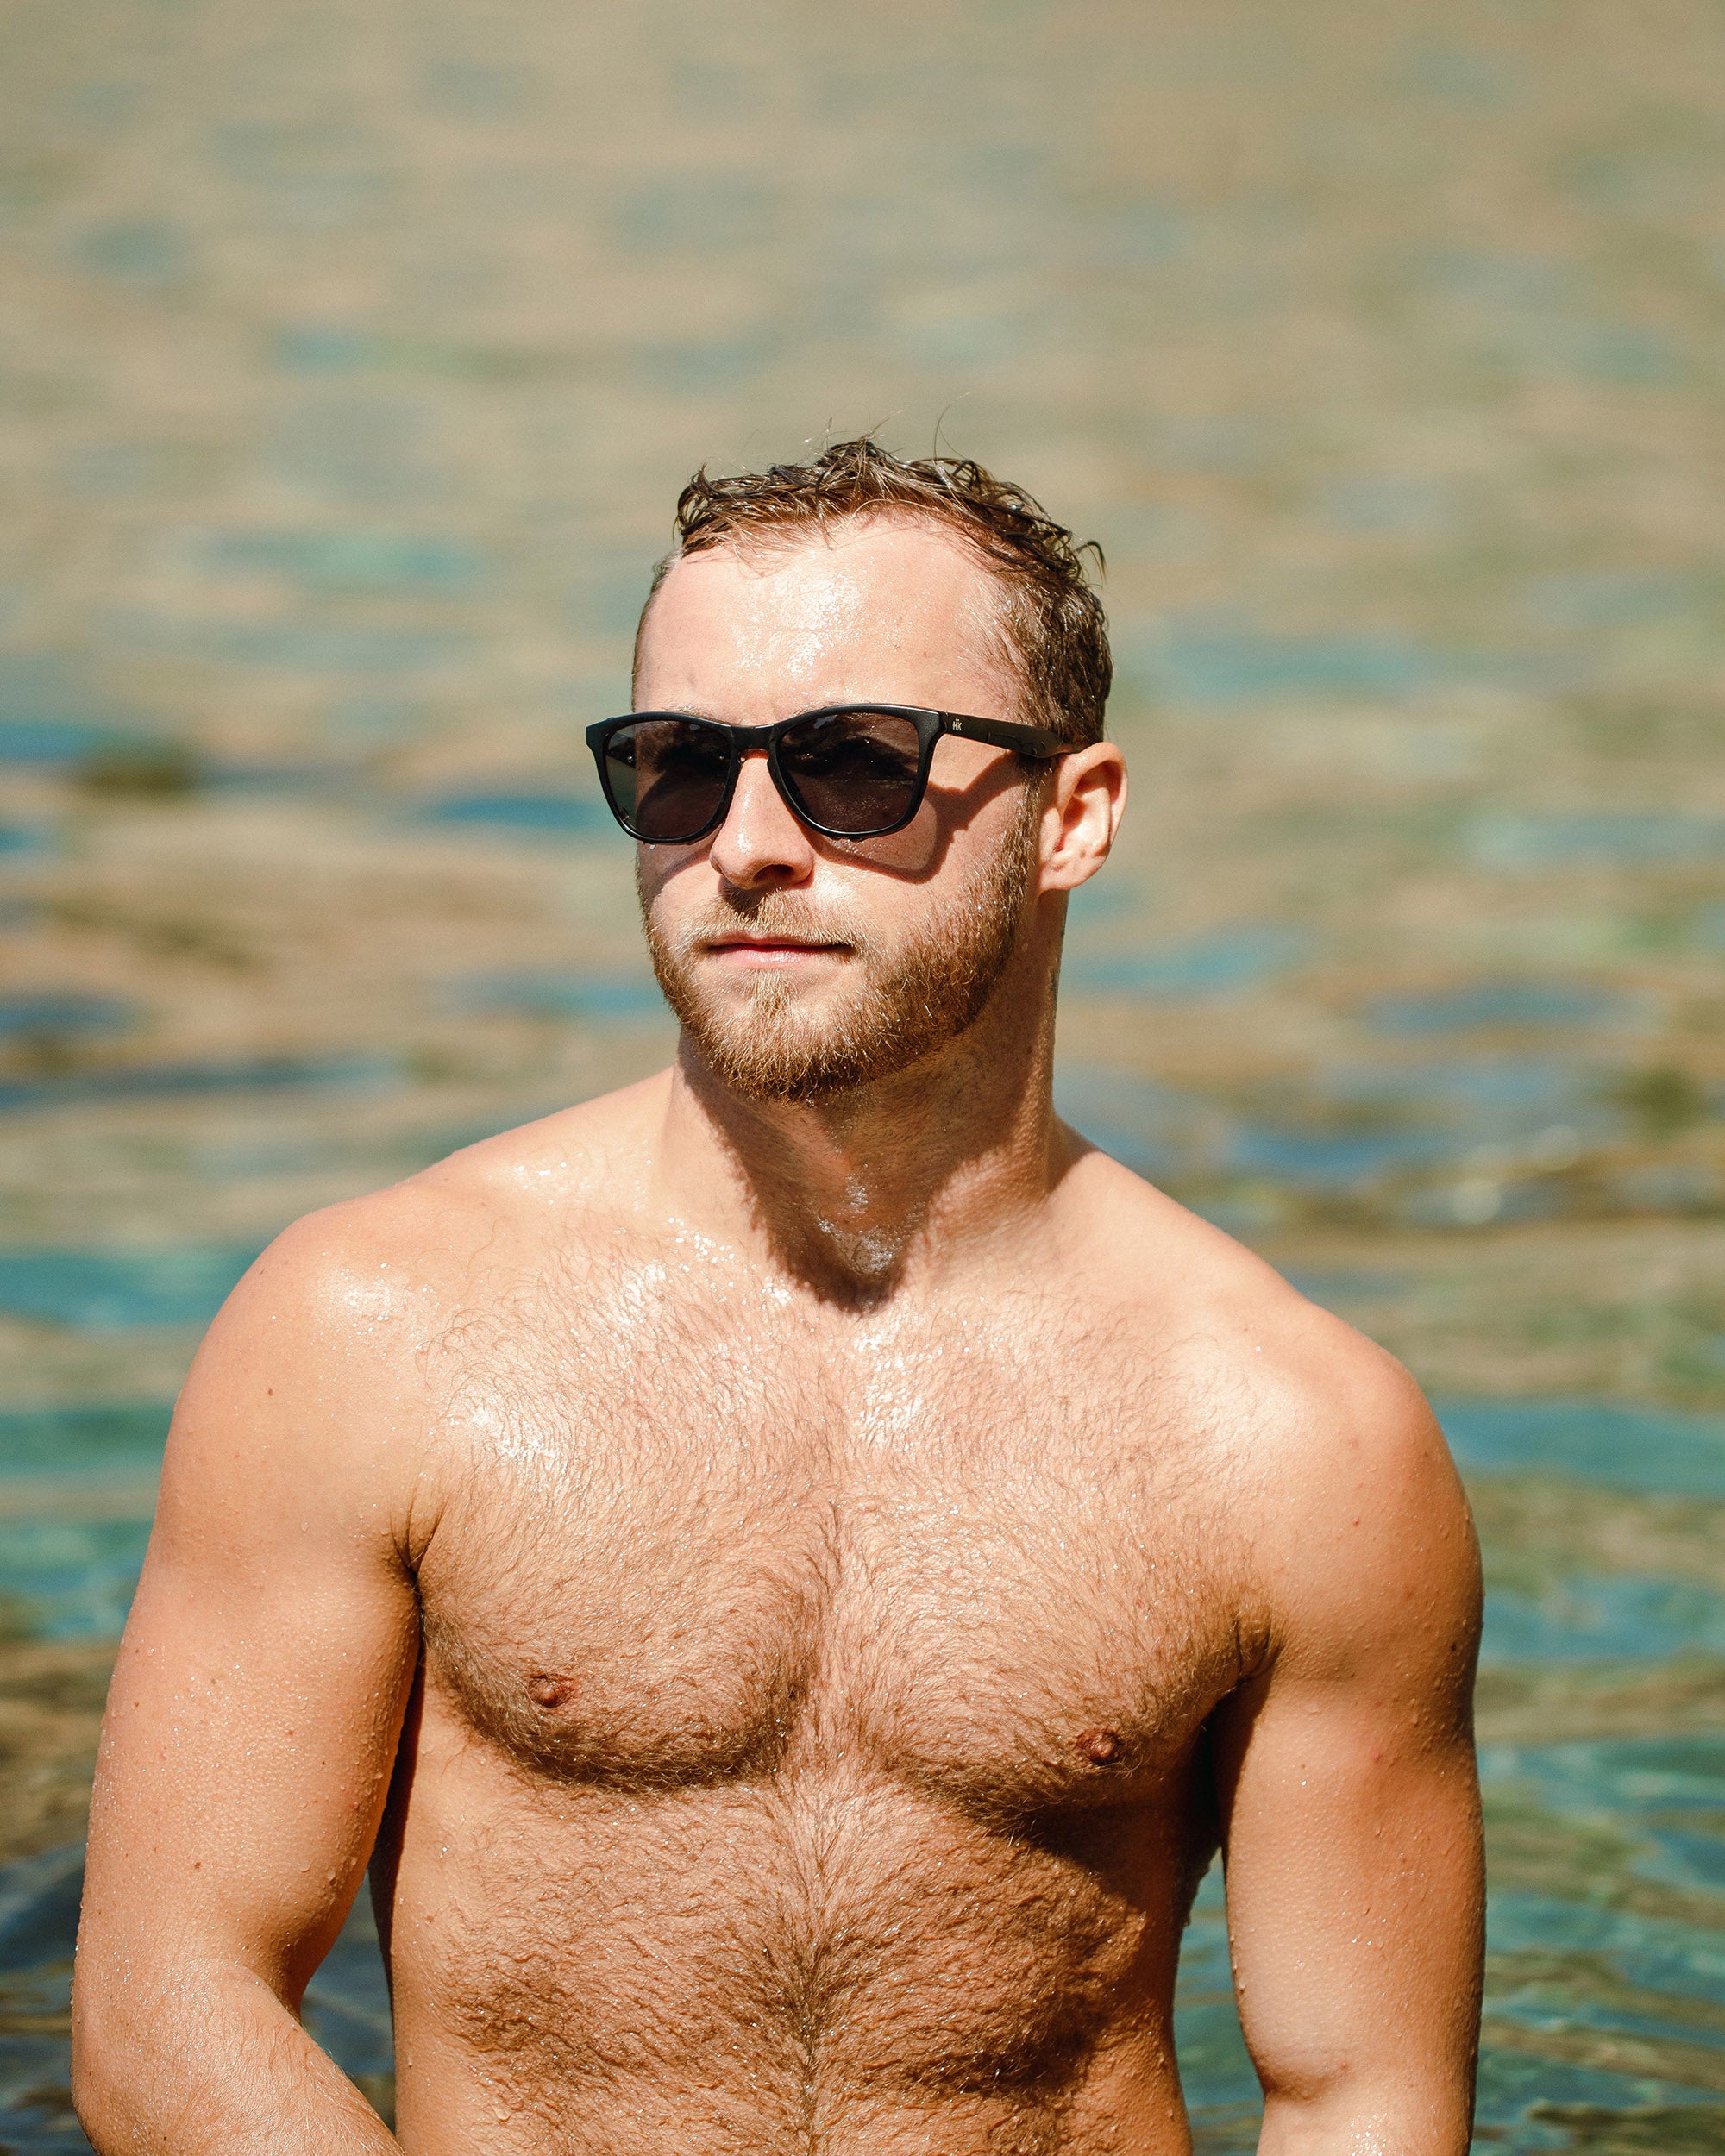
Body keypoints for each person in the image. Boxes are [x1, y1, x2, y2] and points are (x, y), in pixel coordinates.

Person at [72, 439, 1484, 2155]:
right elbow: (169, 2010)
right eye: (677, 767)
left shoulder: (1297, 1441)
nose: (744, 845)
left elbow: (1361, 2093)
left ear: (1075, 817)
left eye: (851, 765)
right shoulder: (372, 1334)